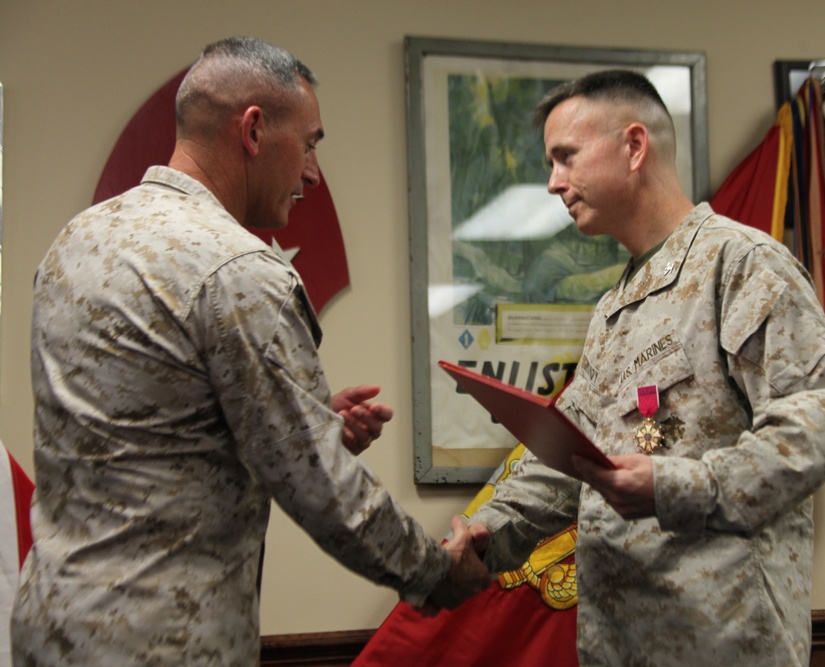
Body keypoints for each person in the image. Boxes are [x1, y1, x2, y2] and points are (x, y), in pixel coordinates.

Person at [12, 36, 489, 666]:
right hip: (163, 644)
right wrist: (436, 572)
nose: (313, 171)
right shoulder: (235, 267)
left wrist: (303, 419)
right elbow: (321, 488)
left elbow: (144, 428)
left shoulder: (76, 241)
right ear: (255, 130)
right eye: (312, 142)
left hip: (51, 627)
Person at [467, 70, 825, 666]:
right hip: (620, 645)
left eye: (565, 157)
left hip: (724, 644)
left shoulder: (742, 264)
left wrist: (677, 487)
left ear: (633, 146)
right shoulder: (615, 309)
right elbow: (570, 453)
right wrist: (485, 539)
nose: (553, 183)